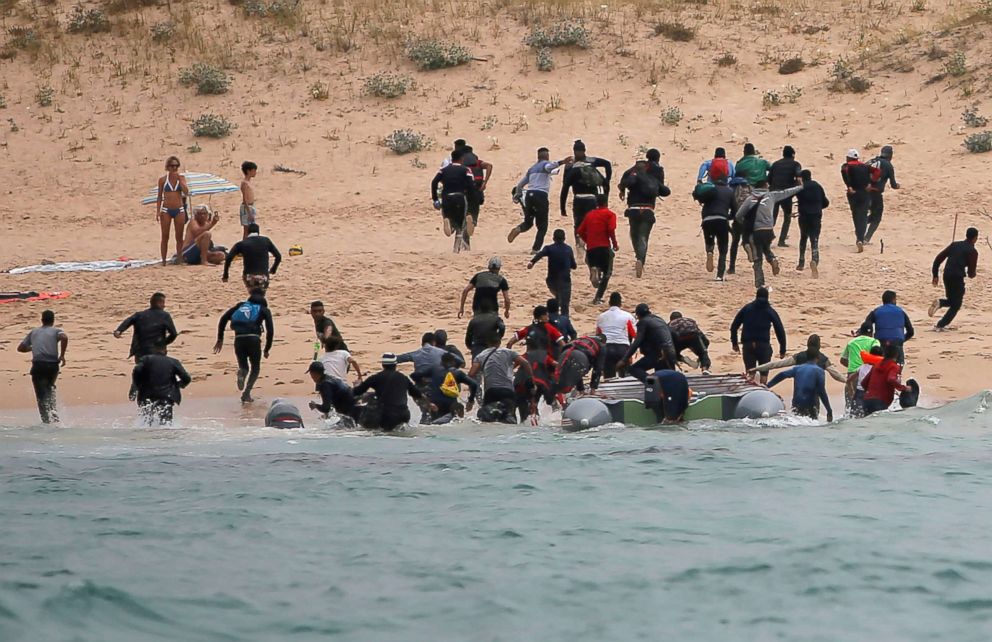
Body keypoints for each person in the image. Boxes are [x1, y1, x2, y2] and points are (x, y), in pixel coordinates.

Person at [735, 178, 804, 288]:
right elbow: (786, 192)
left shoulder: (750, 199)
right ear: (765, 186)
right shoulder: (771, 196)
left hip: (756, 230)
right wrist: (800, 187)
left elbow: (738, 215)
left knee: (757, 258)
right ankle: (772, 259)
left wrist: (746, 224)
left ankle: (760, 283)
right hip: (768, 230)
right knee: (766, 247)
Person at [214, 288, 274, 403]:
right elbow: (270, 330)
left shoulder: (240, 306)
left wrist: (220, 338)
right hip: (254, 339)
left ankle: (242, 373)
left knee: (244, 366)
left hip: (239, 339)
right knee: (255, 367)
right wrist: (267, 348)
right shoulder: (264, 309)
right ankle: (246, 393)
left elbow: (223, 318)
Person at [508, 147, 571, 252]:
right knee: (542, 226)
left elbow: (520, 185)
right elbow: (549, 167)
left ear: (538, 156)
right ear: (547, 156)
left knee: (528, 222)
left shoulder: (532, 169)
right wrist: (562, 162)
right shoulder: (545, 165)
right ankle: (535, 249)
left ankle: (518, 229)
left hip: (529, 195)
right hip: (540, 196)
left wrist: (518, 195)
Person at [618, 152, 671, 277]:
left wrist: (622, 191)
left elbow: (624, 182)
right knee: (643, 237)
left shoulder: (632, 173)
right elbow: (666, 191)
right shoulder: (655, 176)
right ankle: (640, 260)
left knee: (634, 235)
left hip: (633, 209)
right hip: (648, 210)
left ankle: (638, 257)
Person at [560, 139, 612, 259]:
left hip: (578, 199)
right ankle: (591, 246)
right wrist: (608, 180)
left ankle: (580, 246)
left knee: (578, 223)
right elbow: (607, 164)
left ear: (574, 151)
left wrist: (562, 207)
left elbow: (565, 186)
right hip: (593, 199)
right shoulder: (591, 162)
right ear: (584, 150)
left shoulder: (571, 166)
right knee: (592, 223)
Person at [352, 353, 432, 431]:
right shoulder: (403, 378)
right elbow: (417, 394)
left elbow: (358, 392)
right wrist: (430, 405)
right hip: (404, 415)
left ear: (383, 365)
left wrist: (356, 385)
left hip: (386, 415)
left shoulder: (376, 377)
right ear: (395, 365)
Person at [17, 310, 67, 424]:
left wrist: (33, 348)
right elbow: (64, 337)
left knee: (41, 396)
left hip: (39, 366)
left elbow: (20, 348)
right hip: (53, 366)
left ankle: (46, 423)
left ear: (42, 320)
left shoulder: (34, 332)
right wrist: (62, 355)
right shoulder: (56, 331)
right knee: (49, 389)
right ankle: (55, 418)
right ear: (53, 320)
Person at [468, 337, 533, 423]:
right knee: (510, 418)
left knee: (487, 419)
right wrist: (532, 380)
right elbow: (525, 363)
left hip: (491, 392)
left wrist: (471, 398)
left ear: (487, 344)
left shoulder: (481, 355)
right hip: (507, 391)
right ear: (499, 342)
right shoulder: (508, 352)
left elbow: (471, 374)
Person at [730, 287, 787, 383]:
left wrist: (734, 343)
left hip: (748, 345)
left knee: (750, 373)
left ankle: (750, 392)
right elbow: (779, 330)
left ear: (756, 296)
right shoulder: (770, 311)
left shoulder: (747, 308)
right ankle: (762, 390)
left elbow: (734, 326)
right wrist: (782, 349)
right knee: (764, 374)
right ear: (767, 297)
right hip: (763, 345)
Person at [929, 227, 979, 330]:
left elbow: (938, 259)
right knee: (956, 305)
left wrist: (935, 275)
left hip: (946, 275)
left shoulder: (954, 245)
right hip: (957, 277)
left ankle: (941, 303)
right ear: (975, 238)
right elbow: (971, 273)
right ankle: (940, 325)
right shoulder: (973, 251)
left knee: (952, 301)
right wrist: (973, 274)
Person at [131, 341, 191, 426]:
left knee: (146, 422)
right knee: (166, 423)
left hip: (147, 394)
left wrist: (138, 385)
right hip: (167, 396)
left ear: (153, 350)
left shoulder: (146, 359)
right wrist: (179, 385)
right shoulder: (173, 362)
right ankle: (164, 438)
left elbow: (137, 370)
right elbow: (186, 378)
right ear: (166, 351)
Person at [431, 147, 479, 253]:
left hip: (447, 197)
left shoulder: (443, 170)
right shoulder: (466, 170)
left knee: (449, 216)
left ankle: (449, 223)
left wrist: (435, 199)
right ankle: (456, 250)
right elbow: (471, 186)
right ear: (461, 159)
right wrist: (472, 199)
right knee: (460, 225)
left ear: (452, 159)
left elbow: (434, 182)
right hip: (460, 197)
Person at [412, 352, 479, 423]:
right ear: (453, 362)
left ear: (441, 361)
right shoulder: (457, 373)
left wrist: (425, 385)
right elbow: (474, 384)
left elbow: (414, 376)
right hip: (451, 405)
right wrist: (471, 400)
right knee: (451, 422)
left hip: (434, 404)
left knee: (432, 424)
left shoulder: (433, 369)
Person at [576, 193, 619, 305]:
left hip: (591, 248)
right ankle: (597, 298)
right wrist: (614, 244)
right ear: (606, 202)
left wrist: (588, 240)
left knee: (594, 264)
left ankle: (595, 270)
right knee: (607, 273)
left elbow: (580, 231)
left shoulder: (590, 215)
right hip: (604, 247)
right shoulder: (610, 214)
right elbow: (611, 230)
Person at [750, 334, 846, 383]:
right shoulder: (823, 359)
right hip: (814, 394)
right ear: (819, 346)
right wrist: (847, 381)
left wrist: (756, 368)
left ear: (807, 344)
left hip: (799, 393)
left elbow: (777, 364)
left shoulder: (799, 356)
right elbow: (836, 375)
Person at [114, 292, 179, 364]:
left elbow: (128, 321)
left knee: (142, 372)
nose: (164, 306)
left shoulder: (139, 315)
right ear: (159, 303)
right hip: (157, 351)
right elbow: (174, 334)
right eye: (163, 303)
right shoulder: (165, 316)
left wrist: (119, 330)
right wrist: (163, 343)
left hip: (141, 351)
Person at [622, 303, 678, 383]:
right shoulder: (659, 319)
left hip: (658, 354)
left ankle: (652, 383)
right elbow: (674, 334)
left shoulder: (643, 322)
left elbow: (637, 342)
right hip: (670, 352)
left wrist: (624, 359)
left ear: (638, 315)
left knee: (634, 369)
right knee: (667, 380)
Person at [528, 229, 576, 316]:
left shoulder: (549, 248)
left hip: (552, 280)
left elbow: (540, 254)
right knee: (565, 305)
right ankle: (564, 321)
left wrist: (532, 262)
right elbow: (574, 265)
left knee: (557, 297)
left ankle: (555, 314)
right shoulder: (568, 249)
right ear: (564, 238)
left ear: (553, 238)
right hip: (565, 280)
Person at [859, 290, 914, 364]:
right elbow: (910, 331)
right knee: (898, 366)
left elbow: (867, 325)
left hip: (881, 340)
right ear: (894, 300)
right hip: (897, 340)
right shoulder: (901, 311)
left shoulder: (876, 311)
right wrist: (901, 340)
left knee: (880, 364)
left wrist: (871, 339)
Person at [223, 223, 281, 292]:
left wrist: (226, 275)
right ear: (258, 232)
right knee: (261, 294)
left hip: (249, 276)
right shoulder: (266, 241)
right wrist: (273, 269)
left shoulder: (241, 244)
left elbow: (228, 258)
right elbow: (278, 256)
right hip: (263, 276)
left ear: (247, 232)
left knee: (253, 292)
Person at [767, 362, 833, 422]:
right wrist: (829, 411)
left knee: (797, 421)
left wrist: (768, 385)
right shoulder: (819, 370)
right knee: (812, 424)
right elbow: (821, 392)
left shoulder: (797, 369)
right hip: (811, 404)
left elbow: (782, 374)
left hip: (797, 403)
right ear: (817, 358)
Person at [699, 176, 735, 281]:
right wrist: (729, 217)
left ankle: (710, 251)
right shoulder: (729, 191)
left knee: (709, 241)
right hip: (722, 220)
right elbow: (735, 209)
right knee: (723, 249)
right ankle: (719, 276)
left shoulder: (709, 189)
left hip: (707, 219)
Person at [155, 156, 189, 265]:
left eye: (176, 166)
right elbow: (159, 196)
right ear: (168, 167)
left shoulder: (181, 178)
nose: (174, 168)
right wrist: (158, 211)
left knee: (179, 236)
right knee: (165, 236)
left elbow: (186, 192)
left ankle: (180, 258)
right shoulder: (162, 180)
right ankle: (164, 260)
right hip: (166, 209)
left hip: (179, 209)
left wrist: (180, 181)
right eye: (172, 166)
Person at [795, 169, 829, 277]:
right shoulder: (818, 186)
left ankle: (801, 262)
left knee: (803, 237)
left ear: (802, 178)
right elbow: (825, 202)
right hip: (816, 215)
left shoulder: (801, 188)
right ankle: (814, 260)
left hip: (804, 215)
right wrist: (818, 207)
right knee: (814, 239)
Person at [767, 145, 803, 247]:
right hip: (786, 194)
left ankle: (768, 239)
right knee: (787, 217)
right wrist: (798, 189)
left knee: (772, 217)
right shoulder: (796, 164)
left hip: (774, 193)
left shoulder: (775, 164)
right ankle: (781, 241)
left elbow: (769, 179)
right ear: (793, 155)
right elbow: (799, 177)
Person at [596, 292, 637, 378]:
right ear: (620, 303)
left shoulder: (601, 317)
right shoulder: (628, 316)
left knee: (609, 378)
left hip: (607, 349)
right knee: (625, 378)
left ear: (609, 303)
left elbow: (598, 336)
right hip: (623, 349)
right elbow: (635, 335)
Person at [861, 343, 909, 415]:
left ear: (884, 354)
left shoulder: (876, 365)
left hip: (867, 401)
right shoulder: (894, 366)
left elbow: (863, 383)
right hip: (880, 402)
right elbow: (891, 379)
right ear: (897, 355)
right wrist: (904, 388)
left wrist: (871, 393)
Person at [841, 328, 880, 416]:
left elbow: (842, 360)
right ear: (871, 334)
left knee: (850, 406)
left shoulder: (851, 342)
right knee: (869, 408)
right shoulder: (874, 341)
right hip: (869, 376)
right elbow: (877, 355)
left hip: (852, 375)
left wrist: (853, 366)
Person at [866, 145, 900, 243]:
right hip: (876, 194)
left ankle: (860, 228)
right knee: (877, 218)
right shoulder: (888, 165)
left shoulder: (871, 161)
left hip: (864, 193)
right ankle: (866, 238)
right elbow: (893, 185)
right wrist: (897, 186)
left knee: (869, 215)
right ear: (891, 155)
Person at [841, 149, 873, 252]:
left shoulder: (846, 166)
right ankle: (861, 238)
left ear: (848, 158)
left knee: (856, 214)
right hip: (864, 193)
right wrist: (870, 184)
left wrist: (849, 186)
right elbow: (875, 173)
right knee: (863, 216)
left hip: (853, 193)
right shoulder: (865, 166)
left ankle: (858, 237)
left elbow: (845, 174)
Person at [307, 361, 358, 425]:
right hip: (353, 401)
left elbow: (326, 408)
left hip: (349, 407)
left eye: (311, 373)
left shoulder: (325, 385)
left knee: (340, 428)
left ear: (314, 373)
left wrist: (315, 406)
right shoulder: (329, 378)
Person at [461, 145, 493, 228]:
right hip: (477, 188)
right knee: (475, 207)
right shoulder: (478, 163)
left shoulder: (461, 164)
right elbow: (489, 166)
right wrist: (485, 182)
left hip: (464, 189)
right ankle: (473, 221)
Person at [239, 160, 258, 240]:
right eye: (254, 170)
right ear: (248, 171)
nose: (255, 172)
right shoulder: (244, 183)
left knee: (251, 229)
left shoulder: (248, 182)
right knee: (246, 230)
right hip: (246, 207)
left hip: (251, 206)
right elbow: (245, 198)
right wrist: (249, 212)